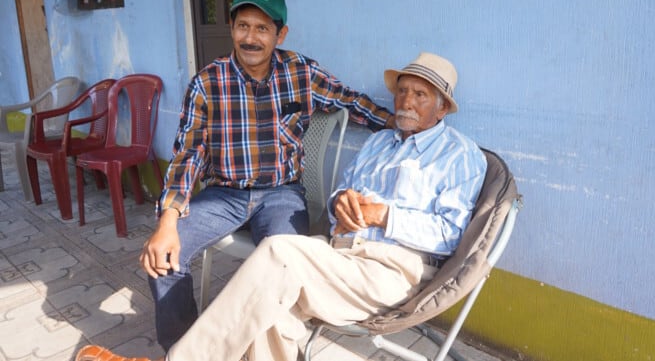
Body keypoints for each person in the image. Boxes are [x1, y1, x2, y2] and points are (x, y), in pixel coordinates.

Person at [76, 52, 487, 361]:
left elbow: (452, 236)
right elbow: (341, 194)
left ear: (442, 107)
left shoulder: (460, 155)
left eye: (420, 94)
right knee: (271, 313)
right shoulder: (380, 142)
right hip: (339, 255)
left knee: (278, 253)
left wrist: (385, 215)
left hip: (393, 269)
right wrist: (341, 203)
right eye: (402, 91)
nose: (406, 101)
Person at [140, 0, 394, 351]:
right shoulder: (207, 82)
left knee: (285, 267)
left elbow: (352, 101)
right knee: (165, 256)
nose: (251, 38)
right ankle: (183, 349)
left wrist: (399, 125)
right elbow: (187, 154)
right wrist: (167, 222)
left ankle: (270, 350)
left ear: (280, 34)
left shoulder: (301, 72)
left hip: (281, 195)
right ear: (232, 29)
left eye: (262, 28)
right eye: (243, 26)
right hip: (223, 194)